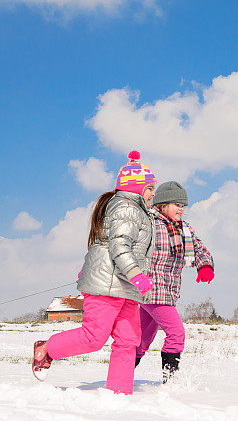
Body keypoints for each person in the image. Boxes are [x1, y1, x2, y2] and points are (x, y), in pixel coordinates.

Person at [32, 150, 156, 394]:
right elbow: (119, 246)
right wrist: (137, 275)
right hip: (107, 284)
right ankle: (46, 348)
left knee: (129, 340)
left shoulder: (137, 210)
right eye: (150, 188)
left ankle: (119, 393)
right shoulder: (126, 208)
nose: (153, 193)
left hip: (125, 287)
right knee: (94, 337)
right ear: (136, 188)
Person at [134, 181, 214, 382]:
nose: (181, 210)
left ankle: (121, 372)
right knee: (176, 332)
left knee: (143, 340)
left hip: (168, 291)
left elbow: (199, 249)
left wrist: (204, 265)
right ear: (162, 204)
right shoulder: (149, 224)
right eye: (177, 205)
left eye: (183, 206)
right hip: (151, 290)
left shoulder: (184, 229)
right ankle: (171, 381)